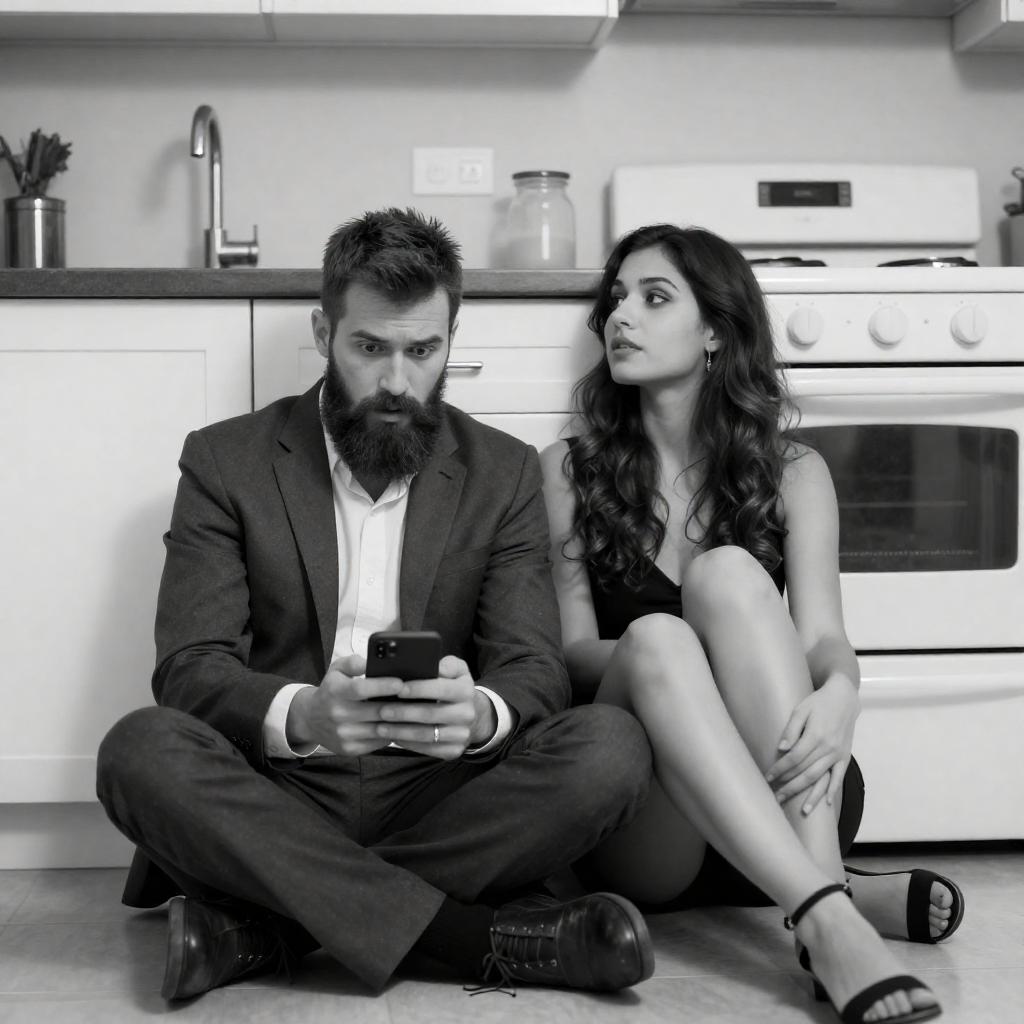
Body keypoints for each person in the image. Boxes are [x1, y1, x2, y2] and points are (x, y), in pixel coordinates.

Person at [96, 207, 656, 1002]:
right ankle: (471, 940)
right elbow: (189, 669)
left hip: (444, 793)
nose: (397, 382)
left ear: (451, 339)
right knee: (138, 750)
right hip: (279, 787)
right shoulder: (225, 460)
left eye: (422, 351)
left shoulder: (502, 472)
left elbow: (534, 669)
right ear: (324, 333)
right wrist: (303, 715)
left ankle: (270, 926)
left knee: (611, 748)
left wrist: (480, 715)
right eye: (370, 349)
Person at [540, 224, 965, 1024]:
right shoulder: (568, 470)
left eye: (653, 298)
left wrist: (842, 691)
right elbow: (570, 653)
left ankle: (822, 904)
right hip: (651, 835)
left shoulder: (795, 472)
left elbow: (822, 639)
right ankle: (835, 907)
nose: (620, 316)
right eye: (616, 300)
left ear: (714, 331)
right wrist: (679, 658)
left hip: (795, 796)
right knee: (661, 635)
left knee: (728, 572)